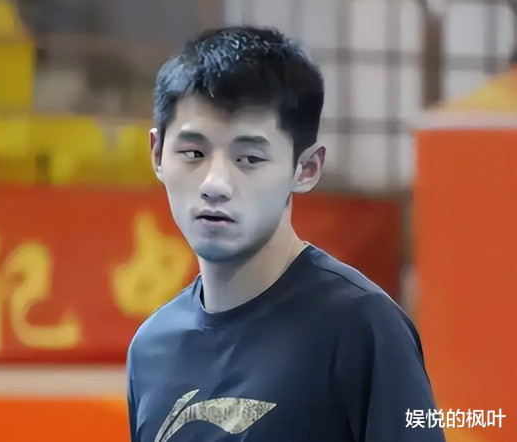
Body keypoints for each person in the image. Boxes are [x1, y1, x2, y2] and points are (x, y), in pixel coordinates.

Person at [127, 27, 444, 442]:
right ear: (157, 154)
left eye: (249, 158)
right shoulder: (151, 349)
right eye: (193, 153)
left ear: (306, 168)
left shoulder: (360, 328)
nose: (215, 183)